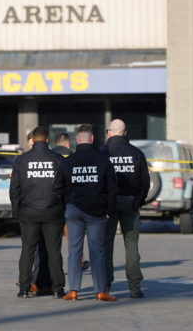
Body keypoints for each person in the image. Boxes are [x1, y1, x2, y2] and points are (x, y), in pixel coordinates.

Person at [53, 124, 117, 301]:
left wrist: (65, 206)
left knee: (74, 250)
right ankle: (100, 291)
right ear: (92, 139)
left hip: (73, 210)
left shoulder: (67, 162)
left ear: (77, 140)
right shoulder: (103, 161)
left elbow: (57, 188)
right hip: (97, 212)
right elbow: (112, 189)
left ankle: (73, 290)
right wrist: (109, 210)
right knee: (97, 251)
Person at [9, 126, 66, 299]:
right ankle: (57, 289)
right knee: (54, 251)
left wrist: (17, 210)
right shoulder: (57, 159)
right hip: (52, 212)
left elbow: (14, 188)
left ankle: (24, 288)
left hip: (28, 212)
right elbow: (65, 187)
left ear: (32, 140)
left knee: (27, 250)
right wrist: (62, 208)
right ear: (47, 140)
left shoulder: (22, 160)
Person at [101, 118, 150, 298]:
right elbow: (145, 181)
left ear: (109, 132)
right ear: (125, 133)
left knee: (106, 244)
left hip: (109, 204)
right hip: (130, 202)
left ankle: (105, 285)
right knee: (131, 244)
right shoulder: (137, 153)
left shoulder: (102, 153)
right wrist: (139, 201)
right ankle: (135, 287)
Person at [53, 131, 91, 272]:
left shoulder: (50, 156)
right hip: (71, 203)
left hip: (53, 203)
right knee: (74, 238)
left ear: (55, 143)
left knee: (52, 240)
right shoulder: (74, 157)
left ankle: (53, 267)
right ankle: (79, 262)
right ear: (68, 144)